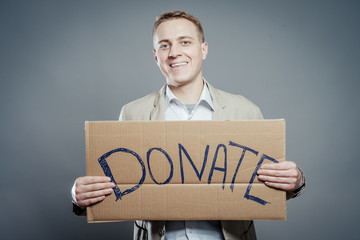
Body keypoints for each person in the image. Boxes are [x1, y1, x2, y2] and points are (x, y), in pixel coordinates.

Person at [72, 10, 305, 240]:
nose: (174, 52)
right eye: (164, 45)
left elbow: (262, 188)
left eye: (184, 42)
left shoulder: (245, 111)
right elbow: (122, 187)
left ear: (203, 49)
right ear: (156, 56)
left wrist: (296, 182)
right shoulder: (133, 113)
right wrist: (78, 196)